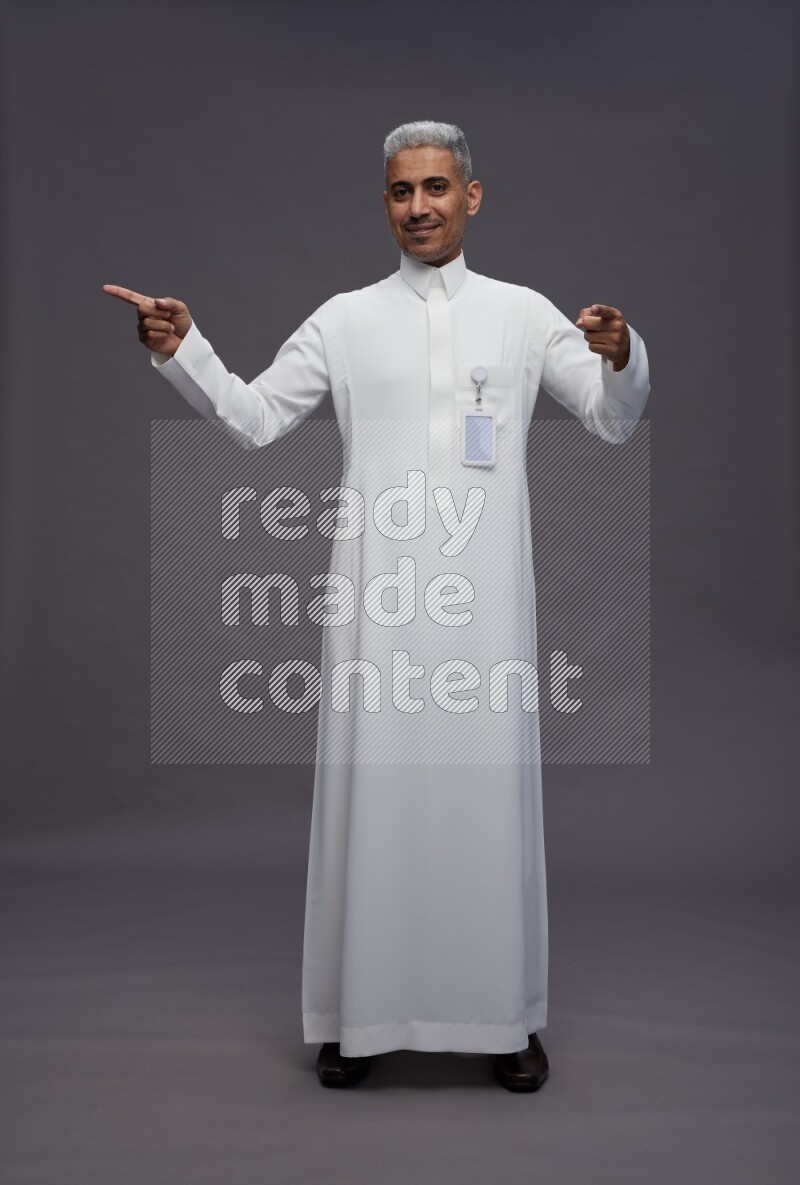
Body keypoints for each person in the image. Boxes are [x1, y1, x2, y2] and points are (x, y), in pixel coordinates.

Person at [103, 120, 650, 1093]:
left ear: (471, 197)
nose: (419, 207)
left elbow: (612, 421)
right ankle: (356, 1018)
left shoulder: (524, 317)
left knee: (488, 804)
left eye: (436, 187)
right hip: (376, 603)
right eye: (401, 192)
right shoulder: (345, 320)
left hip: (486, 609)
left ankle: (505, 1020)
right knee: (374, 799)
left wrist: (618, 352)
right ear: (385, 203)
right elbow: (257, 417)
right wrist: (184, 349)